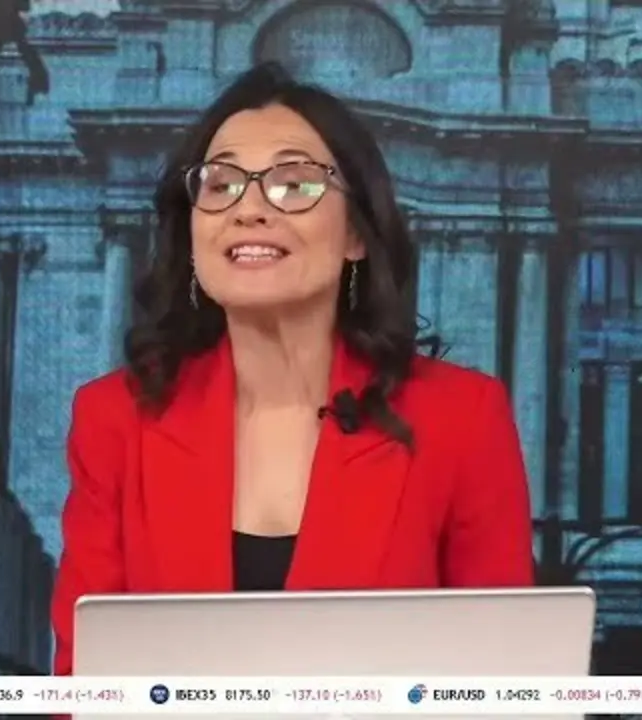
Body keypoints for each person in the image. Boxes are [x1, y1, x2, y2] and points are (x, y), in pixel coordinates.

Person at [51, 63, 534, 676]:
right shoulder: (115, 420)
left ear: (356, 233)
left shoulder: (461, 419)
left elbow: (504, 687)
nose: (249, 209)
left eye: (294, 183)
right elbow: (85, 688)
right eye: (220, 184)